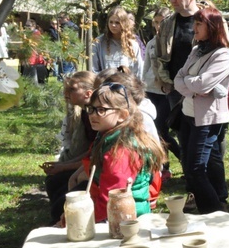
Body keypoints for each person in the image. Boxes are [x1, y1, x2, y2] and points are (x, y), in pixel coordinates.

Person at [66, 82, 166, 222]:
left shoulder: (121, 151)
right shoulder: (108, 136)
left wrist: (78, 220)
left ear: (122, 115)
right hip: (116, 214)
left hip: (124, 220)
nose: (93, 115)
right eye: (91, 109)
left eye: (101, 110)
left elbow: (112, 199)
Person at [174, 6, 229, 214]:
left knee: (195, 169)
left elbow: (202, 85)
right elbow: (178, 80)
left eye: (199, 24)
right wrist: (193, 85)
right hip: (188, 114)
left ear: (212, 27)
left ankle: (212, 210)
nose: (194, 28)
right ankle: (219, 200)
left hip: (207, 118)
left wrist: (191, 84)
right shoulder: (196, 50)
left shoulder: (223, 55)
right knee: (209, 161)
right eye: (194, 23)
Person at [42, 71, 97, 224]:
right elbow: (91, 150)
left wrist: (64, 167)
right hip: (87, 166)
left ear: (88, 93)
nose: (66, 93)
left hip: (94, 172)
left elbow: (95, 155)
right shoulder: (87, 114)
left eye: (72, 89)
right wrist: (63, 165)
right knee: (54, 182)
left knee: (60, 196)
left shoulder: (97, 116)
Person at [155, 0, 201, 110]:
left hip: (200, 88)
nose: (172, 0)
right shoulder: (167, 24)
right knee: (177, 129)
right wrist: (163, 80)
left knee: (198, 129)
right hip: (174, 89)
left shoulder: (209, 21)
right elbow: (157, 54)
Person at [143, 7, 180, 179]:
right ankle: (164, 166)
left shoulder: (173, 42)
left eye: (162, 21)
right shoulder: (151, 42)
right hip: (151, 91)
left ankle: (183, 159)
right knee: (157, 131)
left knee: (162, 130)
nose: (159, 25)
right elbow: (146, 69)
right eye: (156, 22)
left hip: (167, 91)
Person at [91, 7, 143, 78]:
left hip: (127, 86)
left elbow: (138, 70)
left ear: (124, 23)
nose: (113, 25)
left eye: (117, 23)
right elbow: (93, 70)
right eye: (111, 22)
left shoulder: (132, 44)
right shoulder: (98, 42)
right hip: (105, 85)